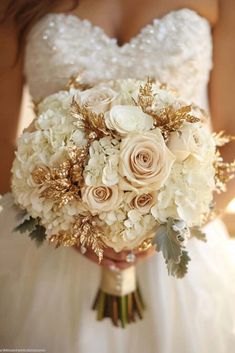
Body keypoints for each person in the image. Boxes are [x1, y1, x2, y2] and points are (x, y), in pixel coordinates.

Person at [0, 0, 235, 352]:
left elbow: (232, 133)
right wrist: (64, 221)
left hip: (178, 250)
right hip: (51, 246)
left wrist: (177, 224)